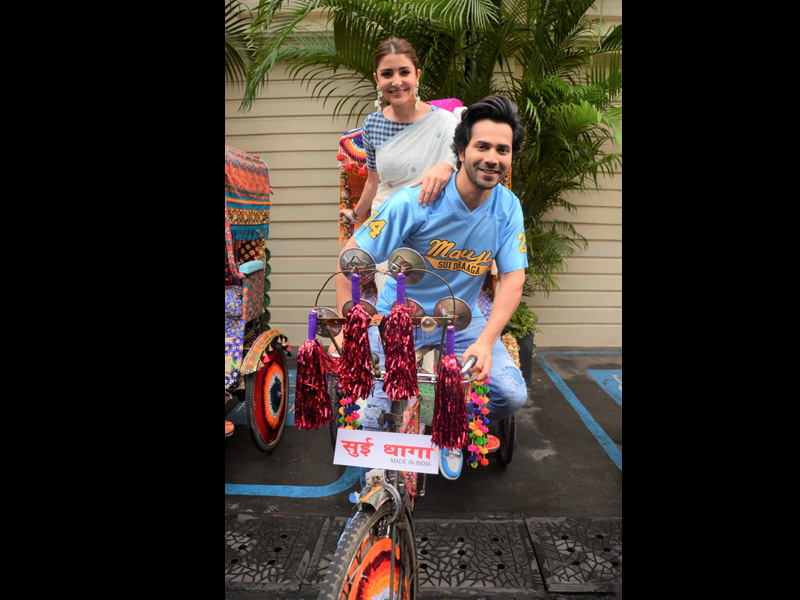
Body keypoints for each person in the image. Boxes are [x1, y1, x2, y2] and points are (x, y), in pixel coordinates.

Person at [335, 94, 529, 483]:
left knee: (510, 394)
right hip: (398, 321)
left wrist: (486, 343)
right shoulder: (416, 201)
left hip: (462, 323)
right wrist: (347, 327)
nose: (492, 157)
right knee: (372, 418)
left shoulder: (507, 207)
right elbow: (350, 259)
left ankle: (447, 423)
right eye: (482, 146)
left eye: (502, 150)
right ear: (461, 151)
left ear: (511, 157)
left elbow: (513, 277)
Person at [338, 38, 459, 290]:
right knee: (393, 299)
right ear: (377, 79)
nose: (396, 81)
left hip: (434, 226)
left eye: (404, 72)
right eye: (387, 74)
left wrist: (447, 166)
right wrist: (355, 215)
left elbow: (464, 173)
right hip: (387, 224)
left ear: (417, 75)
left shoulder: (445, 123)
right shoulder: (372, 125)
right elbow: (373, 182)